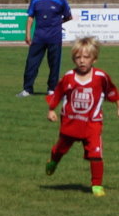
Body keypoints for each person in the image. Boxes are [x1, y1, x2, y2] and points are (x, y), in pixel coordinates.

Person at [45, 37, 119, 197]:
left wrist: (117, 105)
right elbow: (58, 94)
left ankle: (97, 185)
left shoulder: (101, 76)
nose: (82, 61)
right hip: (70, 123)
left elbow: (112, 91)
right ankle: (53, 161)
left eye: (86, 57)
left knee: (96, 154)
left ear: (94, 58)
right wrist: (51, 110)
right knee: (60, 149)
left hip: (92, 123)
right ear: (73, 59)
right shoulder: (69, 77)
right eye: (78, 57)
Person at [17, 0, 72, 97]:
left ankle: (52, 89)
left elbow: (68, 16)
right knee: (32, 63)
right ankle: (27, 89)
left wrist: (58, 23)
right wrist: (27, 34)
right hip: (39, 37)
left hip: (55, 38)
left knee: (54, 64)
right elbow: (30, 17)